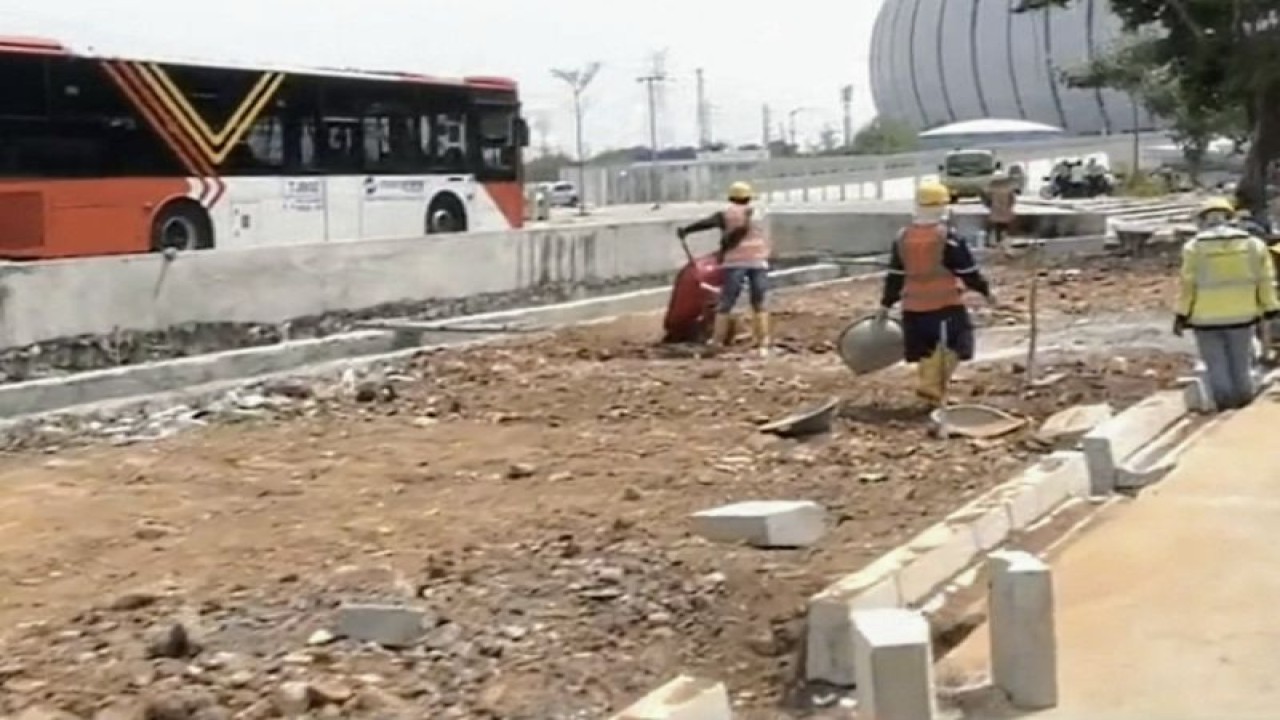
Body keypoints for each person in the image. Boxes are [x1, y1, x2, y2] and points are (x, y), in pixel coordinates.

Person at [877, 181, 997, 406]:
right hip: (944, 304)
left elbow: (895, 275)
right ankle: (931, 386)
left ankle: (932, 396)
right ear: (942, 207)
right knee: (958, 345)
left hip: (913, 307)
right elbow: (967, 271)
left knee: (926, 351)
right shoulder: (947, 238)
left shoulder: (903, 237)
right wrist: (985, 291)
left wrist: (886, 304)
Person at [1174, 197, 1280, 411]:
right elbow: (1265, 281)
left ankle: (1224, 406)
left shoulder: (1194, 248)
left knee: (1216, 366)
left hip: (1205, 320)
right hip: (1243, 317)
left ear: (1202, 220)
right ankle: (1243, 406)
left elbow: (1188, 286)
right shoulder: (1254, 245)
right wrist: (1271, 309)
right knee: (1241, 365)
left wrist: (1181, 315)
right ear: (1231, 217)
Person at [677, 181, 772, 354]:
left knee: (727, 301)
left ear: (731, 197)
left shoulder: (727, 214)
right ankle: (763, 342)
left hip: (735, 262)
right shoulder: (758, 214)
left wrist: (686, 231)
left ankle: (717, 341)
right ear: (749, 197)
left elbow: (706, 223)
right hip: (758, 261)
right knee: (759, 301)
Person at [982, 172, 1017, 255]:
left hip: (995, 212)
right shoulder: (1008, 189)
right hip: (1006, 212)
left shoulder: (990, 189)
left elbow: (986, 200)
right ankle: (1003, 244)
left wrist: (990, 206)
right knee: (1004, 229)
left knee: (994, 228)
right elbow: (1012, 201)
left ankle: (993, 243)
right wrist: (1008, 207)